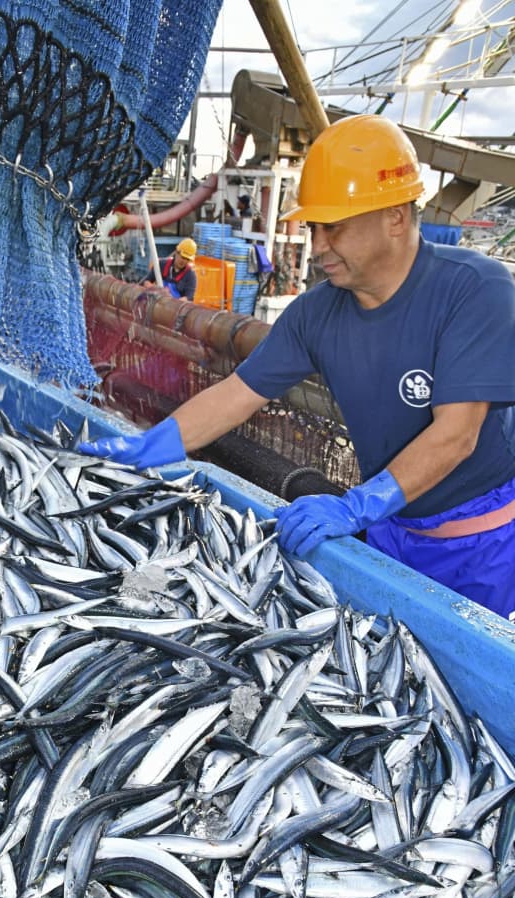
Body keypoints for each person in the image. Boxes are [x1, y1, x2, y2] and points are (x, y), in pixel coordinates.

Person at [79, 114, 515, 619]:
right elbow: (236, 395)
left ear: (396, 217)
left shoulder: (475, 290)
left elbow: (457, 435)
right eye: (314, 227)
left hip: (484, 544)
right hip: (392, 532)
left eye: (334, 228)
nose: (319, 247)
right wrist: (153, 444)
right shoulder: (317, 311)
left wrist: (355, 506)